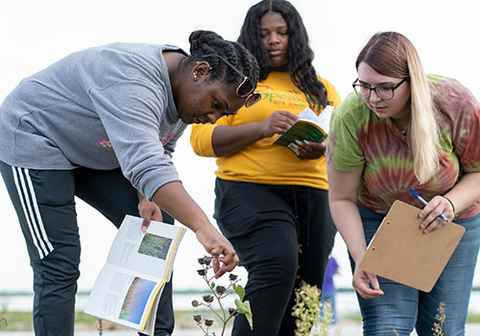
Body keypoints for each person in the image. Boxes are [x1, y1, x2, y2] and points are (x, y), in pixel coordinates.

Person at [0, 30, 261, 336]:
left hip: (95, 147)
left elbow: (158, 149)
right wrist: (204, 228)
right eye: (215, 104)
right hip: (36, 137)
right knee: (59, 261)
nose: (213, 117)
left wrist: (146, 197)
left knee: (156, 231)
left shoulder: (185, 96)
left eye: (223, 113)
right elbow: (145, 162)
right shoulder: (132, 77)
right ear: (199, 71)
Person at [190, 1, 340, 335]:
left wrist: (322, 148)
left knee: (308, 288)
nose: (274, 40)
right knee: (276, 263)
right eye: (264, 34)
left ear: (295, 36)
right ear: (251, 38)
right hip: (248, 191)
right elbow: (200, 140)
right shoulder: (237, 82)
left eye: (282, 33)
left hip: (315, 195)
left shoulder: (323, 88)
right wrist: (261, 127)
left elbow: (347, 144)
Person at [326, 31, 480, 336]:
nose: (372, 98)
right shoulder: (351, 117)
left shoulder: (454, 103)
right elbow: (341, 198)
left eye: (385, 88)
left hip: (454, 221)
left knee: (443, 329)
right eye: (364, 86)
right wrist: (361, 257)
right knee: (387, 326)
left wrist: (450, 203)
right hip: (380, 219)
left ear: (413, 81)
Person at [320, 256, 340, 324]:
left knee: (320, 308)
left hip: (321, 288)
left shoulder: (320, 258)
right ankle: (333, 323)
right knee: (332, 308)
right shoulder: (332, 259)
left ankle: (321, 322)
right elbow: (338, 272)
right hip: (330, 288)